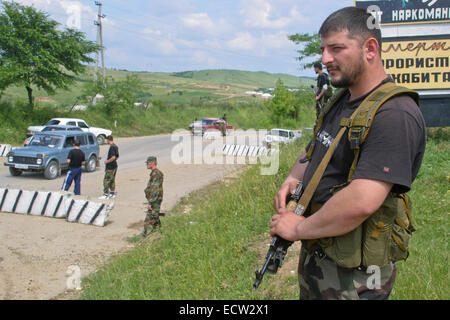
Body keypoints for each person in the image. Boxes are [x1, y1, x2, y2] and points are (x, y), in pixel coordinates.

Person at [270, 7, 426, 300]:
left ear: (370, 48)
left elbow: (362, 201)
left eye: (337, 48)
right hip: (323, 259)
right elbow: (316, 150)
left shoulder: (394, 114)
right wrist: (293, 177)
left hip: (355, 279)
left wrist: (299, 227)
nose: (325, 59)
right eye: (323, 49)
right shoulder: (344, 100)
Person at [142, 156, 164, 236]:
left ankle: (146, 236)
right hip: (155, 200)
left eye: (147, 163)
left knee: (149, 221)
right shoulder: (155, 173)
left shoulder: (156, 174)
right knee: (155, 218)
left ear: (152, 163)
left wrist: (151, 203)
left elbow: (155, 190)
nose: (147, 165)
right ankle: (160, 234)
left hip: (155, 201)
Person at [99, 135, 119, 199]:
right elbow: (117, 156)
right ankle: (112, 193)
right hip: (114, 166)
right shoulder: (115, 146)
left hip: (110, 167)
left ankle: (105, 194)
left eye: (106, 140)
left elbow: (113, 157)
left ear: (108, 140)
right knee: (112, 180)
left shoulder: (112, 147)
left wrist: (107, 161)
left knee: (106, 180)